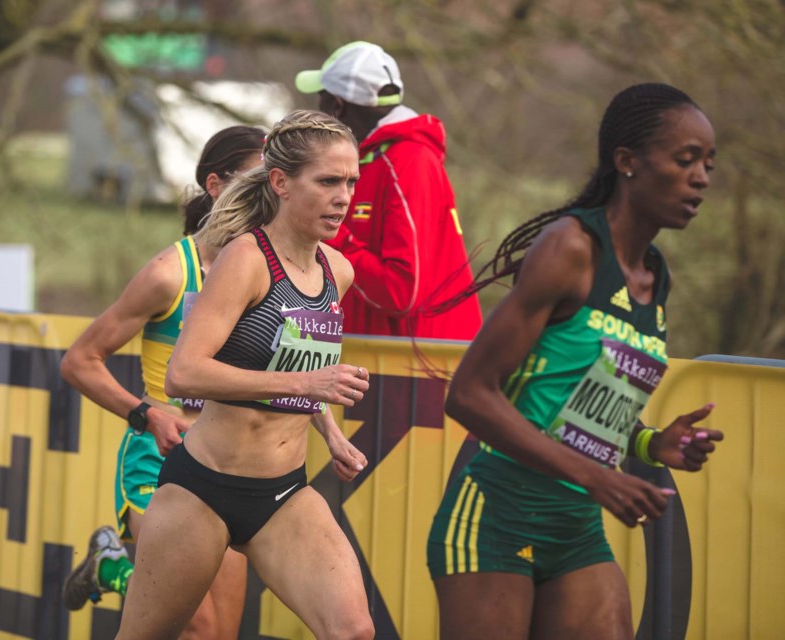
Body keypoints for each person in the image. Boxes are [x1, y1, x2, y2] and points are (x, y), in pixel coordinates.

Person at [425, 83, 724, 639]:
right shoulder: (571, 249)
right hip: (496, 515)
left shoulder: (655, 275)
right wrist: (597, 477)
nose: (701, 177)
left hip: (575, 528)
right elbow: (469, 394)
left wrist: (646, 444)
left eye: (708, 163)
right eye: (685, 160)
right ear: (627, 162)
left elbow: (575, 399)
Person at [60, 124, 368, 638]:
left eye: (352, 183)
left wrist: (332, 434)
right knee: (184, 631)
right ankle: (112, 566)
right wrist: (305, 384)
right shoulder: (244, 259)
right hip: (203, 487)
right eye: (329, 182)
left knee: (353, 630)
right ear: (281, 182)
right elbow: (183, 374)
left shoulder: (338, 271)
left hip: (283, 492)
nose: (344, 199)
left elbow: (297, 366)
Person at [295, 41, 482, 339]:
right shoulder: (374, 158)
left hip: (418, 367)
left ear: (337, 107)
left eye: (321, 99)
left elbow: (399, 293)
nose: (318, 113)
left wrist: (330, 234)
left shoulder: (408, 161)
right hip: (391, 359)